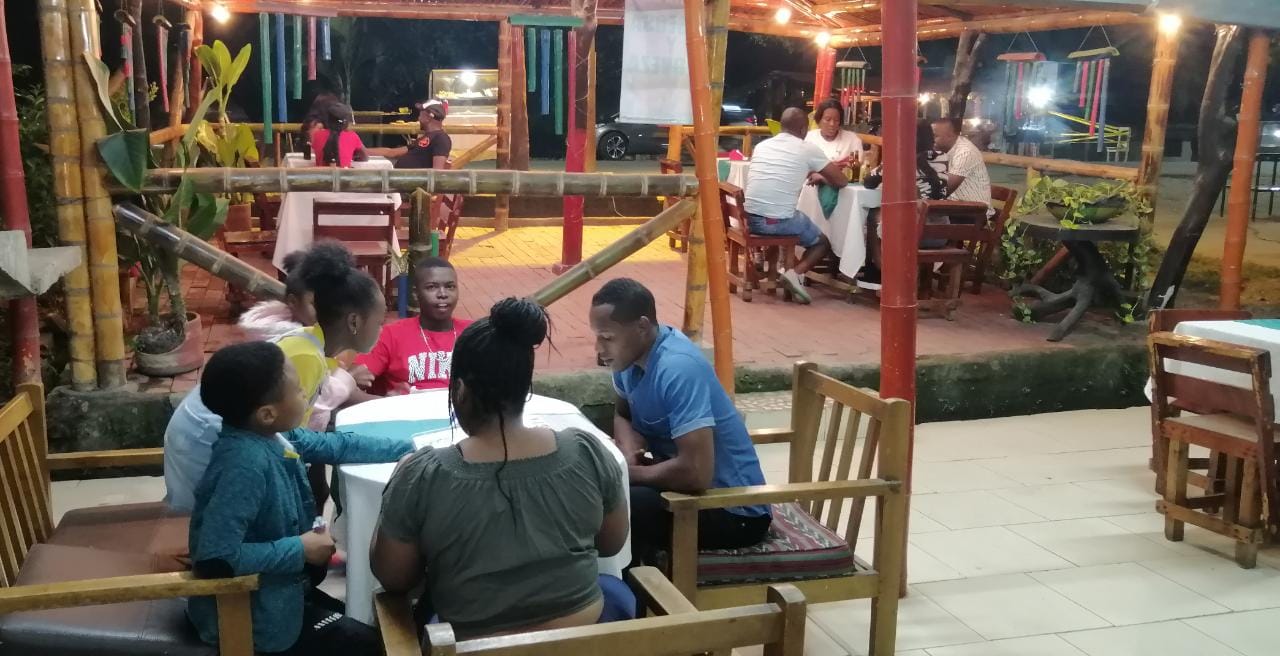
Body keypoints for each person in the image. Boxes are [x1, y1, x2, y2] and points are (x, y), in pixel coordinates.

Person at [370, 297, 633, 639]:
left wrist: (397, 489)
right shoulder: (587, 452)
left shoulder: (422, 474)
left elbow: (393, 577)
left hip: (471, 644)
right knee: (614, 589)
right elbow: (611, 543)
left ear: (460, 390)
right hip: (581, 639)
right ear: (526, 387)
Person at [188, 341, 414, 655]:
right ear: (267, 413)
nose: (307, 394)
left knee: (374, 627)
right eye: (297, 390)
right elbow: (215, 558)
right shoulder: (244, 465)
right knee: (378, 646)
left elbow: (337, 446)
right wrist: (300, 548)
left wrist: (413, 448)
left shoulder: (274, 435)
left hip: (286, 594)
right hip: (251, 618)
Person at [163, 242, 387, 513]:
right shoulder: (305, 357)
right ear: (354, 322)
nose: (383, 328)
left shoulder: (312, 345)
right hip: (203, 442)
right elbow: (287, 440)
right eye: (380, 322)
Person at [589, 278, 770, 565]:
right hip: (685, 492)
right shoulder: (628, 360)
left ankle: (626, 588)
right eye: (597, 337)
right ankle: (629, 581)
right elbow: (623, 413)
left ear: (642, 327)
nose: (599, 349)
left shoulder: (678, 368)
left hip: (732, 509)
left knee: (615, 505)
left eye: (607, 338)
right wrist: (628, 449)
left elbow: (696, 473)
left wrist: (627, 472)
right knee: (603, 495)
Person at [744, 107, 848, 304]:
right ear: (803, 129)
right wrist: (821, 176)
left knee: (788, 212)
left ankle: (777, 271)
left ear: (781, 126)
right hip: (777, 222)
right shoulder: (807, 149)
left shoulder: (762, 146)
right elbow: (841, 181)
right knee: (822, 243)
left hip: (750, 218)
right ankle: (794, 274)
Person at [356, 257, 472, 396]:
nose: (442, 294)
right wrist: (386, 402)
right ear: (416, 294)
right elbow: (350, 386)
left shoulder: (473, 334)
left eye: (450, 286)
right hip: (406, 408)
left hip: (460, 409)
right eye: (432, 287)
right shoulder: (391, 335)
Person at [860, 120, 950, 290]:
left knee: (873, 215)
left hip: (911, 233)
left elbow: (869, 181)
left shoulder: (900, 158)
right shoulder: (942, 157)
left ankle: (881, 272)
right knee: (886, 217)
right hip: (939, 233)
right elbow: (940, 193)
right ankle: (886, 272)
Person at [367, 99, 452, 170]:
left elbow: (437, 172)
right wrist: (364, 151)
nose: (418, 118)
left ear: (428, 117)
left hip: (412, 182)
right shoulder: (424, 138)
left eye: (421, 114)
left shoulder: (441, 138)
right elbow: (392, 152)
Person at [931, 117, 992, 210]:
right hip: (955, 207)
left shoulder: (965, 152)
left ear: (950, 136)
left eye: (935, 136)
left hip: (975, 212)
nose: (931, 140)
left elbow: (943, 191)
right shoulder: (942, 150)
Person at [805, 99, 863, 166]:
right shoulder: (809, 138)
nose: (832, 124)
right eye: (827, 119)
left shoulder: (852, 139)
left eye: (836, 120)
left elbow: (857, 164)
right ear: (819, 120)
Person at [313, 102, 369, 168]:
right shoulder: (352, 136)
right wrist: (352, 157)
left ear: (327, 121)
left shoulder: (317, 135)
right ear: (346, 122)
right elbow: (365, 157)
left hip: (321, 174)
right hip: (344, 174)